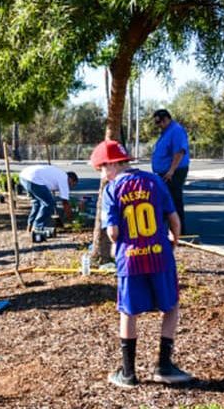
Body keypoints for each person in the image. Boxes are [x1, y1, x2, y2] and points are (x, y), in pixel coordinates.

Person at [90, 140, 191, 388]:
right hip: (159, 255)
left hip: (130, 259)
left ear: (113, 164)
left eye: (102, 168)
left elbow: (112, 231)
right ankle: (164, 366)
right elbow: (174, 220)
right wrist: (173, 242)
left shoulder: (112, 190)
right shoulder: (155, 181)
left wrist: (117, 243)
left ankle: (128, 372)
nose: (102, 174)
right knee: (171, 305)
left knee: (128, 311)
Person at [151, 109, 190, 234]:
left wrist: (171, 171)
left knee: (173, 201)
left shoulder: (176, 130)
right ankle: (167, 230)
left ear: (167, 119)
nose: (158, 125)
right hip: (165, 172)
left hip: (174, 172)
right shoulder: (166, 131)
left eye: (160, 122)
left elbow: (179, 152)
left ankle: (179, 231)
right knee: (164, 200)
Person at [18, 165, 78, 238]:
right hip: (34, 179)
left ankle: (30, 226)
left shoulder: (60, 174)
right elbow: (65, 203)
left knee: (37, 203)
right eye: (72, 185)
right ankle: (37, 227)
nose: (70, 187)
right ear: (71, 180)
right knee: (49, 203)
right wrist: (70, 218)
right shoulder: (64, 179)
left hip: (24, 176)